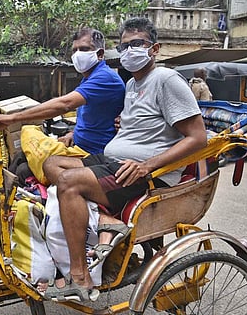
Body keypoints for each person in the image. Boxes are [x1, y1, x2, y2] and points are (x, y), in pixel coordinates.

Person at [41, 17, 207, 302]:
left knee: (68, 182)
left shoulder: (166, 79)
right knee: (51, 163)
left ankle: (80, 277)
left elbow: (197, 137)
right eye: (125, 45)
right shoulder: (132, 84)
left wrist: (148, 165)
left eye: (137, 44)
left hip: (142, 172)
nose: (129, 50)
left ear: (154, 48)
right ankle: (104, 217)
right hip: (115, 161)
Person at [0, 27, 125, 157]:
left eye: (84, 49)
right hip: (79, 145)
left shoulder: (105, 77)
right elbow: (93, 119)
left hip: (94, 153)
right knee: (25, 149)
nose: (77, 55)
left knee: (25, 166)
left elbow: (65, 104)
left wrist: (11, 118)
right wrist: (73, 134)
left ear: (100, 54)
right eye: (74, 50)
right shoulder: (89, 78)